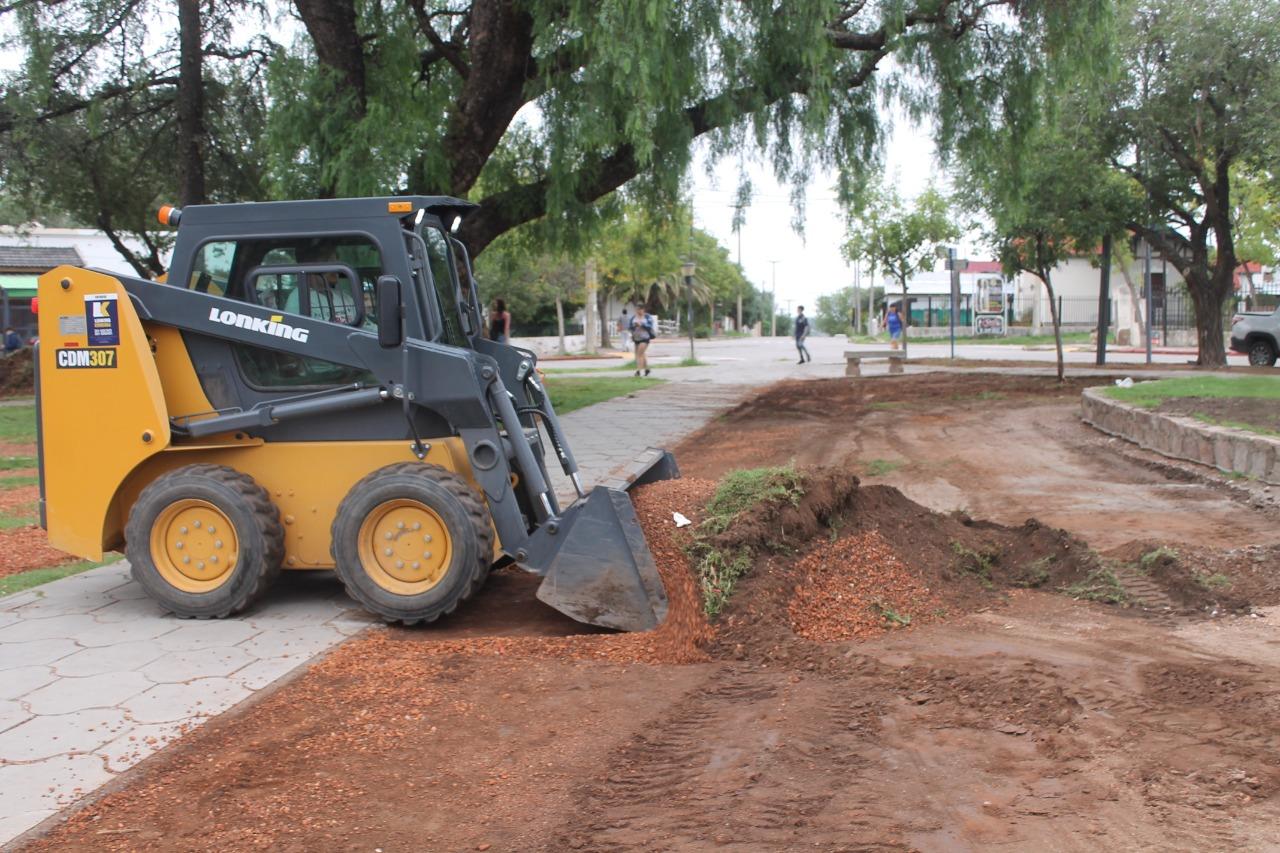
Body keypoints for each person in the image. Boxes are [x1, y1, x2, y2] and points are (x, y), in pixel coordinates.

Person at [628, 304, 656, 376]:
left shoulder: (647, 317)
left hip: (645, 338)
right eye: (636, 309)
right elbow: (630, 327)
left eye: (639, 309)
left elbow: (650, 326)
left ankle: (638, 371)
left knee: (639, 354)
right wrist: (634, 326)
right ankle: (647, 369)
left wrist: (642, 324)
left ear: (643, 309)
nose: (638, 311)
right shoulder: (633, 317)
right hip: (636, 338)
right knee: (641, 354)